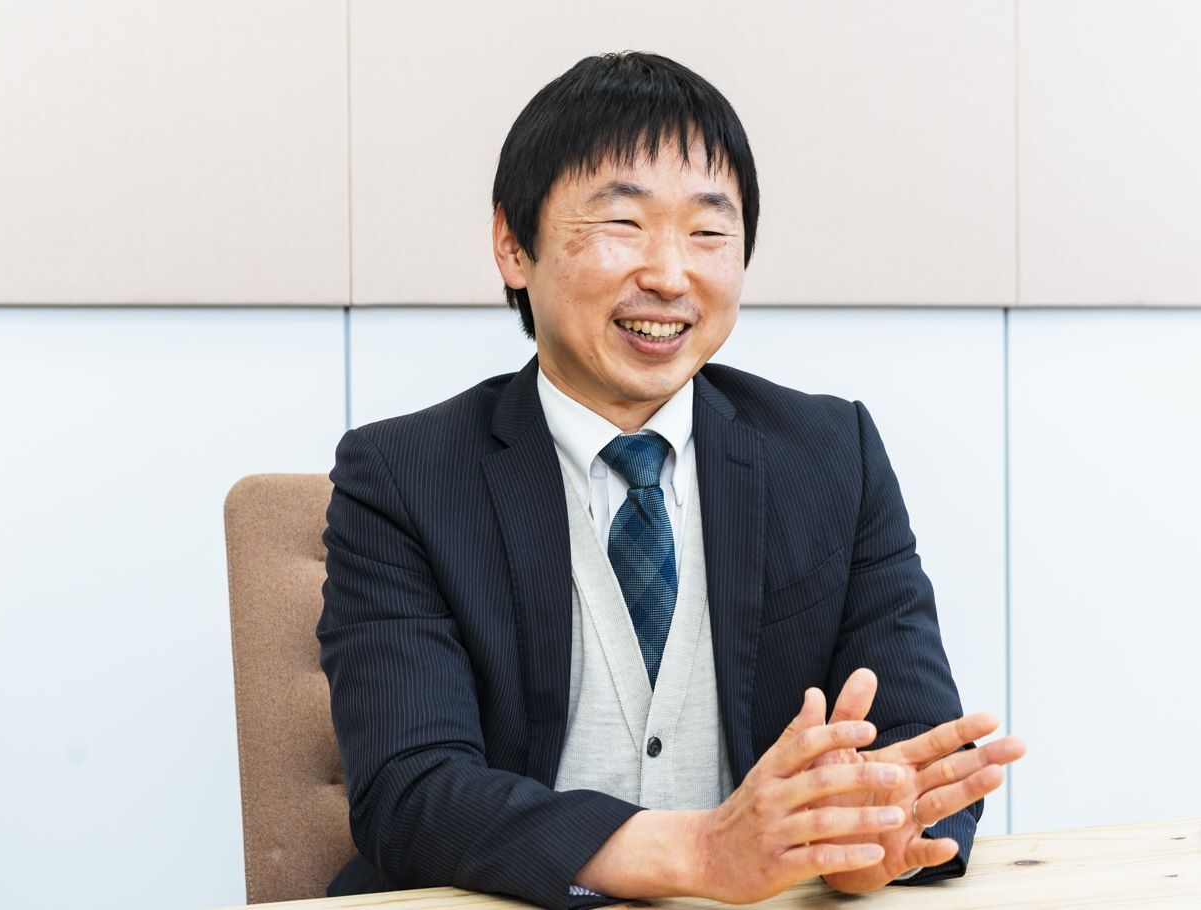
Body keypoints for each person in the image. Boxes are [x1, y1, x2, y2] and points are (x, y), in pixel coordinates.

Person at [317, 51, 1024, 909]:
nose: (669, 273)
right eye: (623, 223)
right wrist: (698, 852)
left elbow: (916, 744)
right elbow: (413, 794)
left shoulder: (832, 454)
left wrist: (867, 837)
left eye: (708, 232)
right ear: (512, 244)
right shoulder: (403, 477)